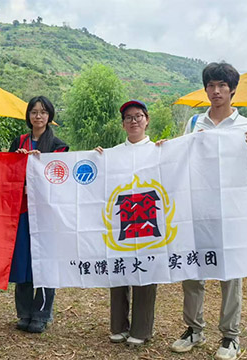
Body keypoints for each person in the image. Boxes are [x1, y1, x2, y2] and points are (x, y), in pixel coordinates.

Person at [157, 62, 247, 360]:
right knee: (193, 269)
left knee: (231, 273)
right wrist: (164, 150)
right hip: (196, 209)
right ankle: (194, 329)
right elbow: (181, 161)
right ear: (205, 89)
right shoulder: (194, 124)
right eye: (211, 85)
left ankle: (230, 337)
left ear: (233, 90)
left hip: (230, 212)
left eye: (222, 86)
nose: (216, 91)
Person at [94, 100, 158, 347]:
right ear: (123, 124)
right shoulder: (111, 153)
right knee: (119, 269)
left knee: (145, 272)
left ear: (147, 120)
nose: (134, 121)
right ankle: (118, 326)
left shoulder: (159, 149)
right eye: (129, 117)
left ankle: (142, 329)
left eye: (138, 116)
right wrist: (96, 158)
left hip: (149, 217)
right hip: (121, 217)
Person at [8, 96, 69, 333]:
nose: (38, 116)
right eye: (34, 112)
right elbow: (8, 173)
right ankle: (23, 313)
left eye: (43, 112)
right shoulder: (19, 141)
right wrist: (17, 160)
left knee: (45, 262)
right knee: (23, 261)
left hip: (46, 211)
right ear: (28, 116)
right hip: (22, 210)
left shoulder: (58, 146)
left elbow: (61, 178)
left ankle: (42, 314)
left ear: (50, 116)